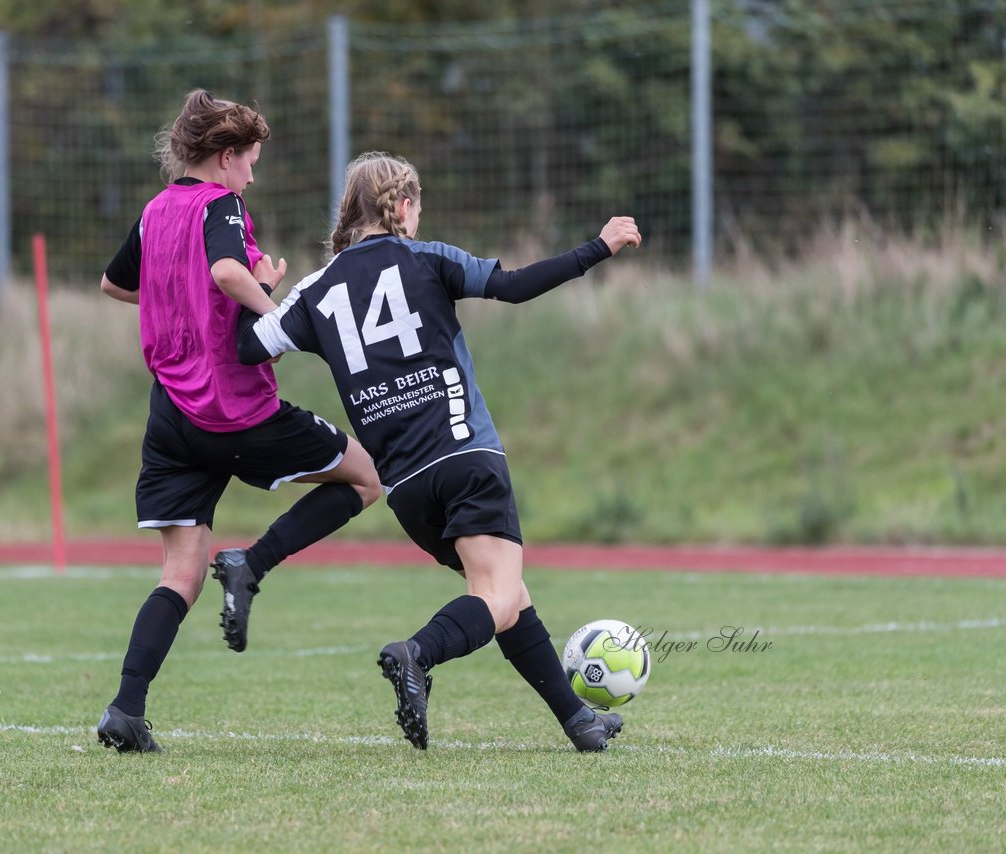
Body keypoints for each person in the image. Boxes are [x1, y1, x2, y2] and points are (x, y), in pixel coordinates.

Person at [235, 151, 641, 752]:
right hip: (464, 458)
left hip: (406, 490)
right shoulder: (427, 257)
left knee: (508, 594)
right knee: (497, 595)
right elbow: (513, 286)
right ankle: (416, 655)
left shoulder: (316, 291)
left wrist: (264, 288)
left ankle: (577, 720)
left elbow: (250, 348)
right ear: (401, 207)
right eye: (416, 206)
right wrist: (598, 247)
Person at [94, 91, 382, 753]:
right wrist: (274, 314)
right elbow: (226, 271)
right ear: (225, 158)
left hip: (171, 415)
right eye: (249, 162)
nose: (252, 176)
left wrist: (193, 286)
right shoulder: (222, 204)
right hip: (235, 409)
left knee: (180, 574)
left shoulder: (155, 209)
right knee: (366, 478)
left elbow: (115, 285)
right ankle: (251, 563)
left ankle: (125, 711)